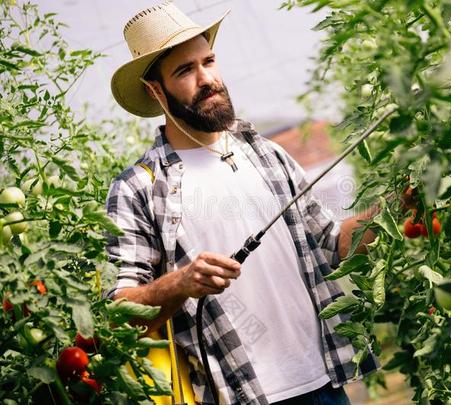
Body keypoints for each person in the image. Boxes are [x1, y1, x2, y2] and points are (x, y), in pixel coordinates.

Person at [106, 2, 387, 404]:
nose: (207, 79)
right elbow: (121, 315)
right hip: (241, 396)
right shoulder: (138, 189)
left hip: (324, 384)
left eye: (209, 61)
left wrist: (393, 209)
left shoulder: (267, 155)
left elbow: (333, 246)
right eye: (185, 71)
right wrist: (181, 282)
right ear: (155, 90)